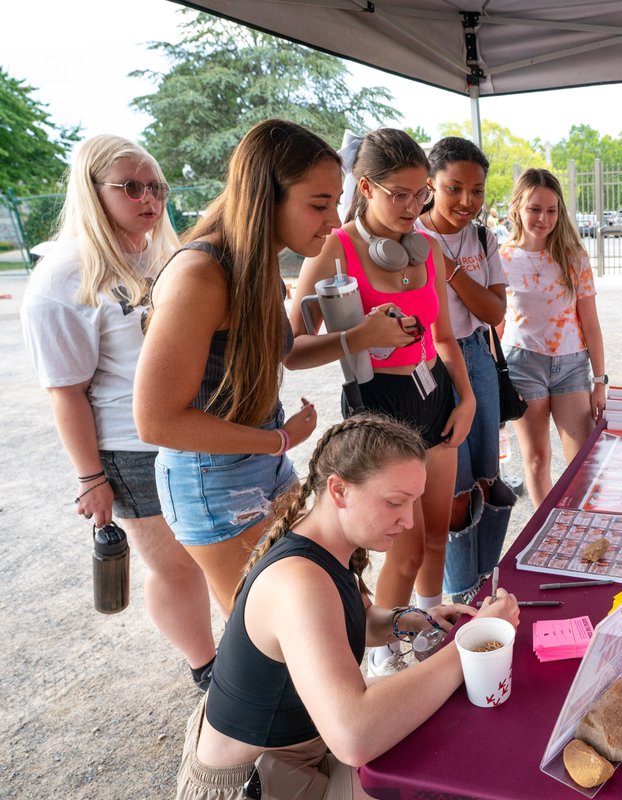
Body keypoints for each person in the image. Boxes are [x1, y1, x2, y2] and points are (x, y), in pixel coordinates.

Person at [174, 413, 520, 799]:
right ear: (339, 491)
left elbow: (362, 620)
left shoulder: (327, 543)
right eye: (394, 503)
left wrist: (418, 620)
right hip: (259, 781)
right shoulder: (299, 582)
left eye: (413, 504)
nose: (408, 521)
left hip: (300, 750)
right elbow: (354, 735)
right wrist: (470, 646)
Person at [20, 135, 217, 690]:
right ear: (91, 191)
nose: (148, 198)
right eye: (130, 187)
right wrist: (91, 477)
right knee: (177, 568)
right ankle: (207, 668)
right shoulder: (62, 280)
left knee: (212, 556)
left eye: (155, 186)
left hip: (196, 430)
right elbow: (66, 391)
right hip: (131, 448)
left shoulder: (161, 251)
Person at [286, 128, 476, 675]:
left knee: (437, 535)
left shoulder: (430, 248)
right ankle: (382, 655)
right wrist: (359, 337)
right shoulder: (335, 249)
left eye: (421, 196)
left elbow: (443, 338)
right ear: (365, 187)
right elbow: (291, 351)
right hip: (379, 406)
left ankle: (428, 629)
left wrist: (466, 401)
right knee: (403, 546)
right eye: (400, 195)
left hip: (434, 394)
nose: (414, 208)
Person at [134, 119, 334, 614]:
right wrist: (278, 440)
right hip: (213, 476)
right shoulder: (201, 274)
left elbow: (277, 352)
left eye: (336, 202)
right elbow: (156, 421)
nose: (334, 220)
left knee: (311, 607)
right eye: (319, 204)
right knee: (264, 638)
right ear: (267, 196)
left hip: (262, 460)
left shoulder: (261, 259)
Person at [414, 137, 516, 604]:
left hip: (478, 353)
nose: (467, 202)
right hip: (434, 361)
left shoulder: (482, 238)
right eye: (455, 188)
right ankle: (458, 596)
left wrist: (452, 270)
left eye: (477, 191)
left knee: (485, 477)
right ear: (431, 184)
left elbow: (495, 311)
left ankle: (482, 582)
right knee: (452, 489)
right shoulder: (412, 237)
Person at [500, 169, 607, 507]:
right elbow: (495, 323)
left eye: (551, 210)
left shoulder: (573, 257)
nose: (543, 218)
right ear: (518, 207)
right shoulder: (501, 258)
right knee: (536, 460)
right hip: (522, 364)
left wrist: (600, 380)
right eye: (535, 208)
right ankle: (546, 531)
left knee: (584, 462)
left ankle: (581, 527)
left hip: (572, 365)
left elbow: (590, 322)